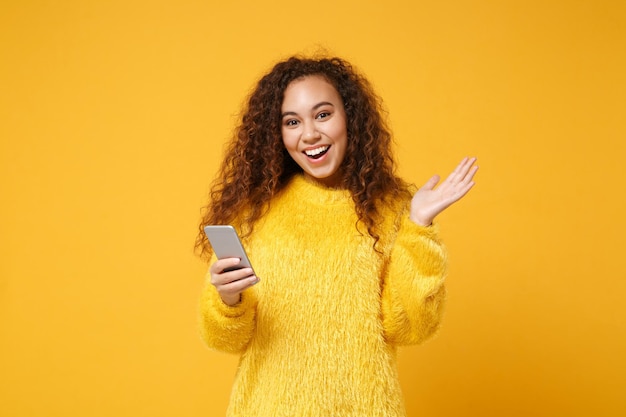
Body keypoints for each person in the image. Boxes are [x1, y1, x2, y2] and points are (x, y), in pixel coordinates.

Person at [195, 55, 478, 417]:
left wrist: (418, 225)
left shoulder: (393, 210)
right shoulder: (254, 213)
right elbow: (224, 339)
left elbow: (411, 328)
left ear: (350, 119)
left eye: (323, 114)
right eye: (292, 122)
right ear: (277, 134)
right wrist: (228, 298)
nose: (309, 133)